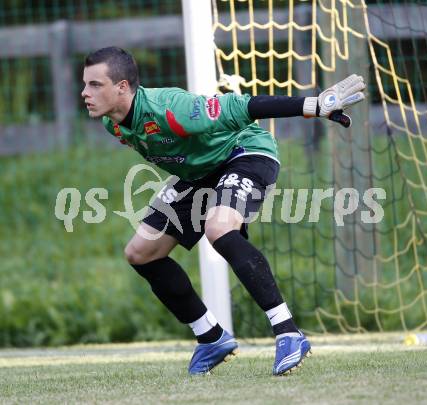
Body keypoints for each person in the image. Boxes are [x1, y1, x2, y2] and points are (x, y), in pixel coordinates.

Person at [81, 46, 365, 376]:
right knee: (141, 252)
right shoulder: (112, 123)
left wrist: (313, 105)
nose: (85, 93)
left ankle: (289, 332)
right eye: (85, 84)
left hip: (245, 153)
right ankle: (211, 338)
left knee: (219, 228)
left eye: (95, 85)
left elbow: (241, 106)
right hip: (200, 173)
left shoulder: (171, 109)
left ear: (123, 87)